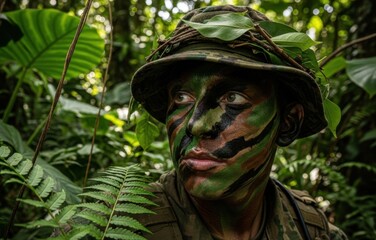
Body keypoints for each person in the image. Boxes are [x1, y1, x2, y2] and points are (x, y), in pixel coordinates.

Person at [130, 4, 348, 240]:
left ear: (288, 122)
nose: (196, 125)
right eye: (182, 97)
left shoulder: (314, 231)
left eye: (232, 98)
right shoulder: (121, 226)